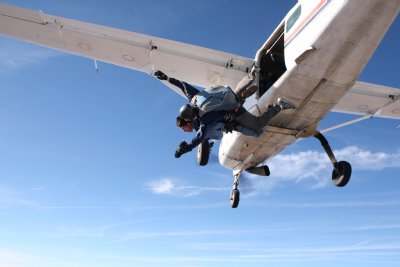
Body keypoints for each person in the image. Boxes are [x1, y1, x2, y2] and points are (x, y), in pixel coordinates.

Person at [153, 70, 295, 158]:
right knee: (236, 95)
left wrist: (187, 148)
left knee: (257, 127)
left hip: (235, 114)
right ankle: (252, 75)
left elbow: (200, 136)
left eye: (185, 128)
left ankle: (279, 106)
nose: (186, 131)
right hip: (227, 95)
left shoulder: (205, 119)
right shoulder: (194, 99)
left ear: (189, 121)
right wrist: (167, 78)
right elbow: (183, 85)